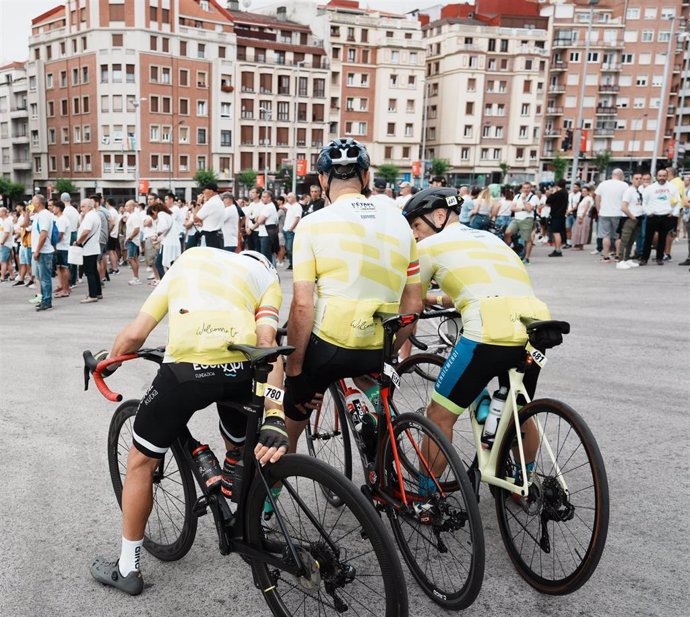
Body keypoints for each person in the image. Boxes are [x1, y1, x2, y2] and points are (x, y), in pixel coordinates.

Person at [90, 249, 288, 595]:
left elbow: (135, 335)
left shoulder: (187, 261)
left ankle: (127, 568)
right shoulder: (267, 278)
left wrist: (110, 362)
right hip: (241, 369)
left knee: (140, 462)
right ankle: (243, 514)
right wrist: (275, 415)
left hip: (186, 371)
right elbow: (267, 343)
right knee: (243, 442)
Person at [284, 138, 422, 457]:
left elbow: (303, 305)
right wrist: (388, 350)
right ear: (366, 177)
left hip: (332, 344)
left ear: (322, 180)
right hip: (379, 345)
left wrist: (295, 373)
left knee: (287, 425)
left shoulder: (311, 225)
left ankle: (266, 501)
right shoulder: (401, 224)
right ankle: (386, 474)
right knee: (373, 390)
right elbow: (413, 304)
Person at [401, 187, 550, 481]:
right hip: (538, 328)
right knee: (517, 410)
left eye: (417, 226)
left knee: (439, 416)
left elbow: (411, 302)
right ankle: (525, 482)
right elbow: (483, 289)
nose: (415, 235)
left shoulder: (428, 248)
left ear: (440, 216)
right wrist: (438, 299)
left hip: (489, 332)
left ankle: (426, 496)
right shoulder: (491, 240)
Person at [640, 168, 679, 266]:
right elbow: (644, 202)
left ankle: (659, 258)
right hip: (653, 216)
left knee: (662, 239)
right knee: (648, 239)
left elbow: (678, 201)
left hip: (666, 216)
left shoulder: (672, 187)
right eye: (660, 176)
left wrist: (674, 213)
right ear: (656, 176)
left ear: (667, 176)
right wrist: (648, 212)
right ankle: (644, 258)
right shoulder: (650, 188)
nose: (662, 178)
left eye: (664, 176)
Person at [594, 168, 628, 262]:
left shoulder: (603, 184)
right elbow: (627, 199)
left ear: (612, 174)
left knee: (606, 236)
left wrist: (598, 209)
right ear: (621, 175)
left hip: (604, 213)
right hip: (618, 213)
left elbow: (597, 197)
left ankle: (606, 256)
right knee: (618, 236)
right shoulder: (624, 185)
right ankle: (617, 255)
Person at [29, 194, 56, 312]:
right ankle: (45, 299)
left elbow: (43, 234)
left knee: (45, 278)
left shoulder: (44, 215)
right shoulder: (39, 215)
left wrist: (37, 250)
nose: (31, 204)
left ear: (38, 203)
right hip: (41, 250)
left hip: (43, 251)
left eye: (33, 202)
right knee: (42, 277)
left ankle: (47, 300)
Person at [75, 198, 102, 303]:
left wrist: (78, 242)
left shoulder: (90, 216)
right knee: (94, 271)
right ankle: (98, 292)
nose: (81, 209)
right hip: (93, 247)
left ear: (89, 206)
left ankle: (92, 295)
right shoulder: (94, 215)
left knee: (90, 272)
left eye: (83, 206)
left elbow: (86, 231)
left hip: (88, 248)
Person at [504, 182, 539, 264]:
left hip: (527, 219)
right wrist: (523, 209)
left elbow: (529, 209)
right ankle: (508, 252)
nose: (526, 189)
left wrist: (524, 200)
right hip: (516, 219)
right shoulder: (517, 196)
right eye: (524, 188)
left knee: (527, 239)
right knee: (507, 233)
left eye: (528, 188)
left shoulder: (533, 197)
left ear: (530, 188)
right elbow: (512, 208)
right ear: (522, 188)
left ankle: (526, 258)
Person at [616, 173, 644, 270]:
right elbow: (624, 207)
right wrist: (632, 216)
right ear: (632, 180)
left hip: (637, 218)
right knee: (625, 240)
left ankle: (627, 258)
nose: (639, 180)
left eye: (640, 178)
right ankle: (620, 260)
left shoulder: (638, 191)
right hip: (629, 218)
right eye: (636, 178)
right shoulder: (629, 191)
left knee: (631, 240)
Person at [51, 200, 72, 297]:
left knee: (64, 268)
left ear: (58, 208)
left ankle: (66, 289)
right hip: (60, 247)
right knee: (60, 268)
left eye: (54, 207)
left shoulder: (62, 220)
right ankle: (63, 287)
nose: (52, 209)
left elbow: (60, 234)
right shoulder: (59, 219)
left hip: (62, 247)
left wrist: (53, 243)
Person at [194, 182, 224, 248]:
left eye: (205, 190)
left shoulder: (210, 203)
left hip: (209, 236)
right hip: (218, 235)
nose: (203, 192)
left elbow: (195, 218)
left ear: (211, 192)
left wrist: (198, 203)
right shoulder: (220, 202)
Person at [546, 178, 569, 257]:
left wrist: (552, 193)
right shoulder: (565, 192)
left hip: (556, 215)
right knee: (558, 232)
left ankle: (558, 250)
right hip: (561, 215)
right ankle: (557, 249)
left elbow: (548, 201)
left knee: (556, 233)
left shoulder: (559, 193)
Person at [123, 200, 143, 286]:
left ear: (132, 207)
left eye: (127, 206)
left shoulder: (134, 216)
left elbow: (137, 229)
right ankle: (136, 277)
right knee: (134, 259)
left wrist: (130, 237)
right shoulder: (131, 215)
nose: (125, 207)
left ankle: (136, 278)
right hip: (132, 239)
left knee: (131, 258)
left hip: (132, 240)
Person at [283, 192, 302, 269]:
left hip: (291, 231)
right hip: (286, 230)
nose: (288, 199)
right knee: (288, 248)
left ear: (294, 198)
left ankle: (294, 264)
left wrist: (291, 228)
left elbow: (297, 218)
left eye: (289, 197)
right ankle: (291, 264)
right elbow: (282, 206)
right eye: (287, 197)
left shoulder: (297, 206)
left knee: (290, 248)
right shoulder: (289, 206)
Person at [571, 185, 593, 250]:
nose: (583, 192)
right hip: (579, 215)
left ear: (588, 192)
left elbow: (586, 208)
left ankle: (580, 245)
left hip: (583, 216)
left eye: (585, 191)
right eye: (582, 191)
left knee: (581, 231)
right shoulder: (583, 198)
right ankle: (578, 244)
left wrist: (582, 217)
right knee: (578, 230)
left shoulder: (589, 198)